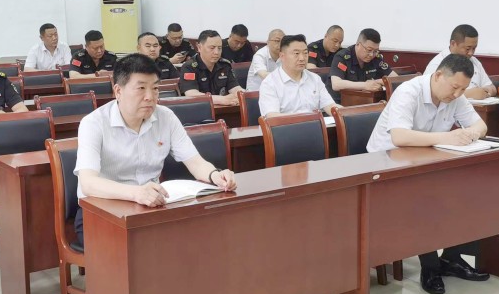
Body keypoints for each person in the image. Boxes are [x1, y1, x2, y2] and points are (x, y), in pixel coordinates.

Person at [73, 54, 237, 245]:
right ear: (118, 91)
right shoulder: (93, 123)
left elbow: (195, 162)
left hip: (150, 207)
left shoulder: (166, 117)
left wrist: (215, 175)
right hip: (100, 212)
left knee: (200, 238)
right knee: (143, 250)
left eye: (155, 88)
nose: (150, 97)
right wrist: (135, 193)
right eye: (141, 88)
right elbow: (88, 183)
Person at [367, 54, 489, 294]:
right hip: (386, 168)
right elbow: (400, 136)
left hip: (427, 163)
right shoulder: (409, 91)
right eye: (454, 87)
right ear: (438, 76)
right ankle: (430, 269)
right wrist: (448, 137)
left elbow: (481, 126)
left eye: (463, 89)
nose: (457, 94)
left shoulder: (455, 95)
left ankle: (452, 258)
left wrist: (469, 135)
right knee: (426, 199)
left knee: (474, 192)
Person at [259, 34, 339, 117]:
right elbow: (272, 116)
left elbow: (330, 106)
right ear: (282, 56)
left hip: (314, 124)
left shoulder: (315, 79)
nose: (302, 58)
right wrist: (304, 120)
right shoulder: (269, 83)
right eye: (296, 53)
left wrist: (345, 114)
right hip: (289, 125)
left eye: (305, 53)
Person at [423, 24, 496, 99]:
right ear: (453, 44)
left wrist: (485, 92)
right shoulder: (437, 64)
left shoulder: (474, 61)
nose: (471, 53)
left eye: (474, 48)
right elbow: (430, 92)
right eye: (467, 49)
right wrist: (469, 94)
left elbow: (492, 88)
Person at [326, 28, 396, 102]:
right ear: (358, 44)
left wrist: (377, 82)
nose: (371, 54)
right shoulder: (342, 57)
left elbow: (395, 78)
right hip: (339, 103)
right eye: (369, 50)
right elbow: (336, 84)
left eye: (375, 51)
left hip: (363, 101)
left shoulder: (376, 58)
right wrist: (365, 85)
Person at [179, 30, 243, 106]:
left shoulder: (225, 65)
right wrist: (222, 99)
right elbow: (192, 94)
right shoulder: (189, 67)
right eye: (212, 48)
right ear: (199, 47)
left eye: (219, 48)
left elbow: (235, 88)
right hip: (198, 109)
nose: (216, 52)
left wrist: (242, 95)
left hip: (222, 109)